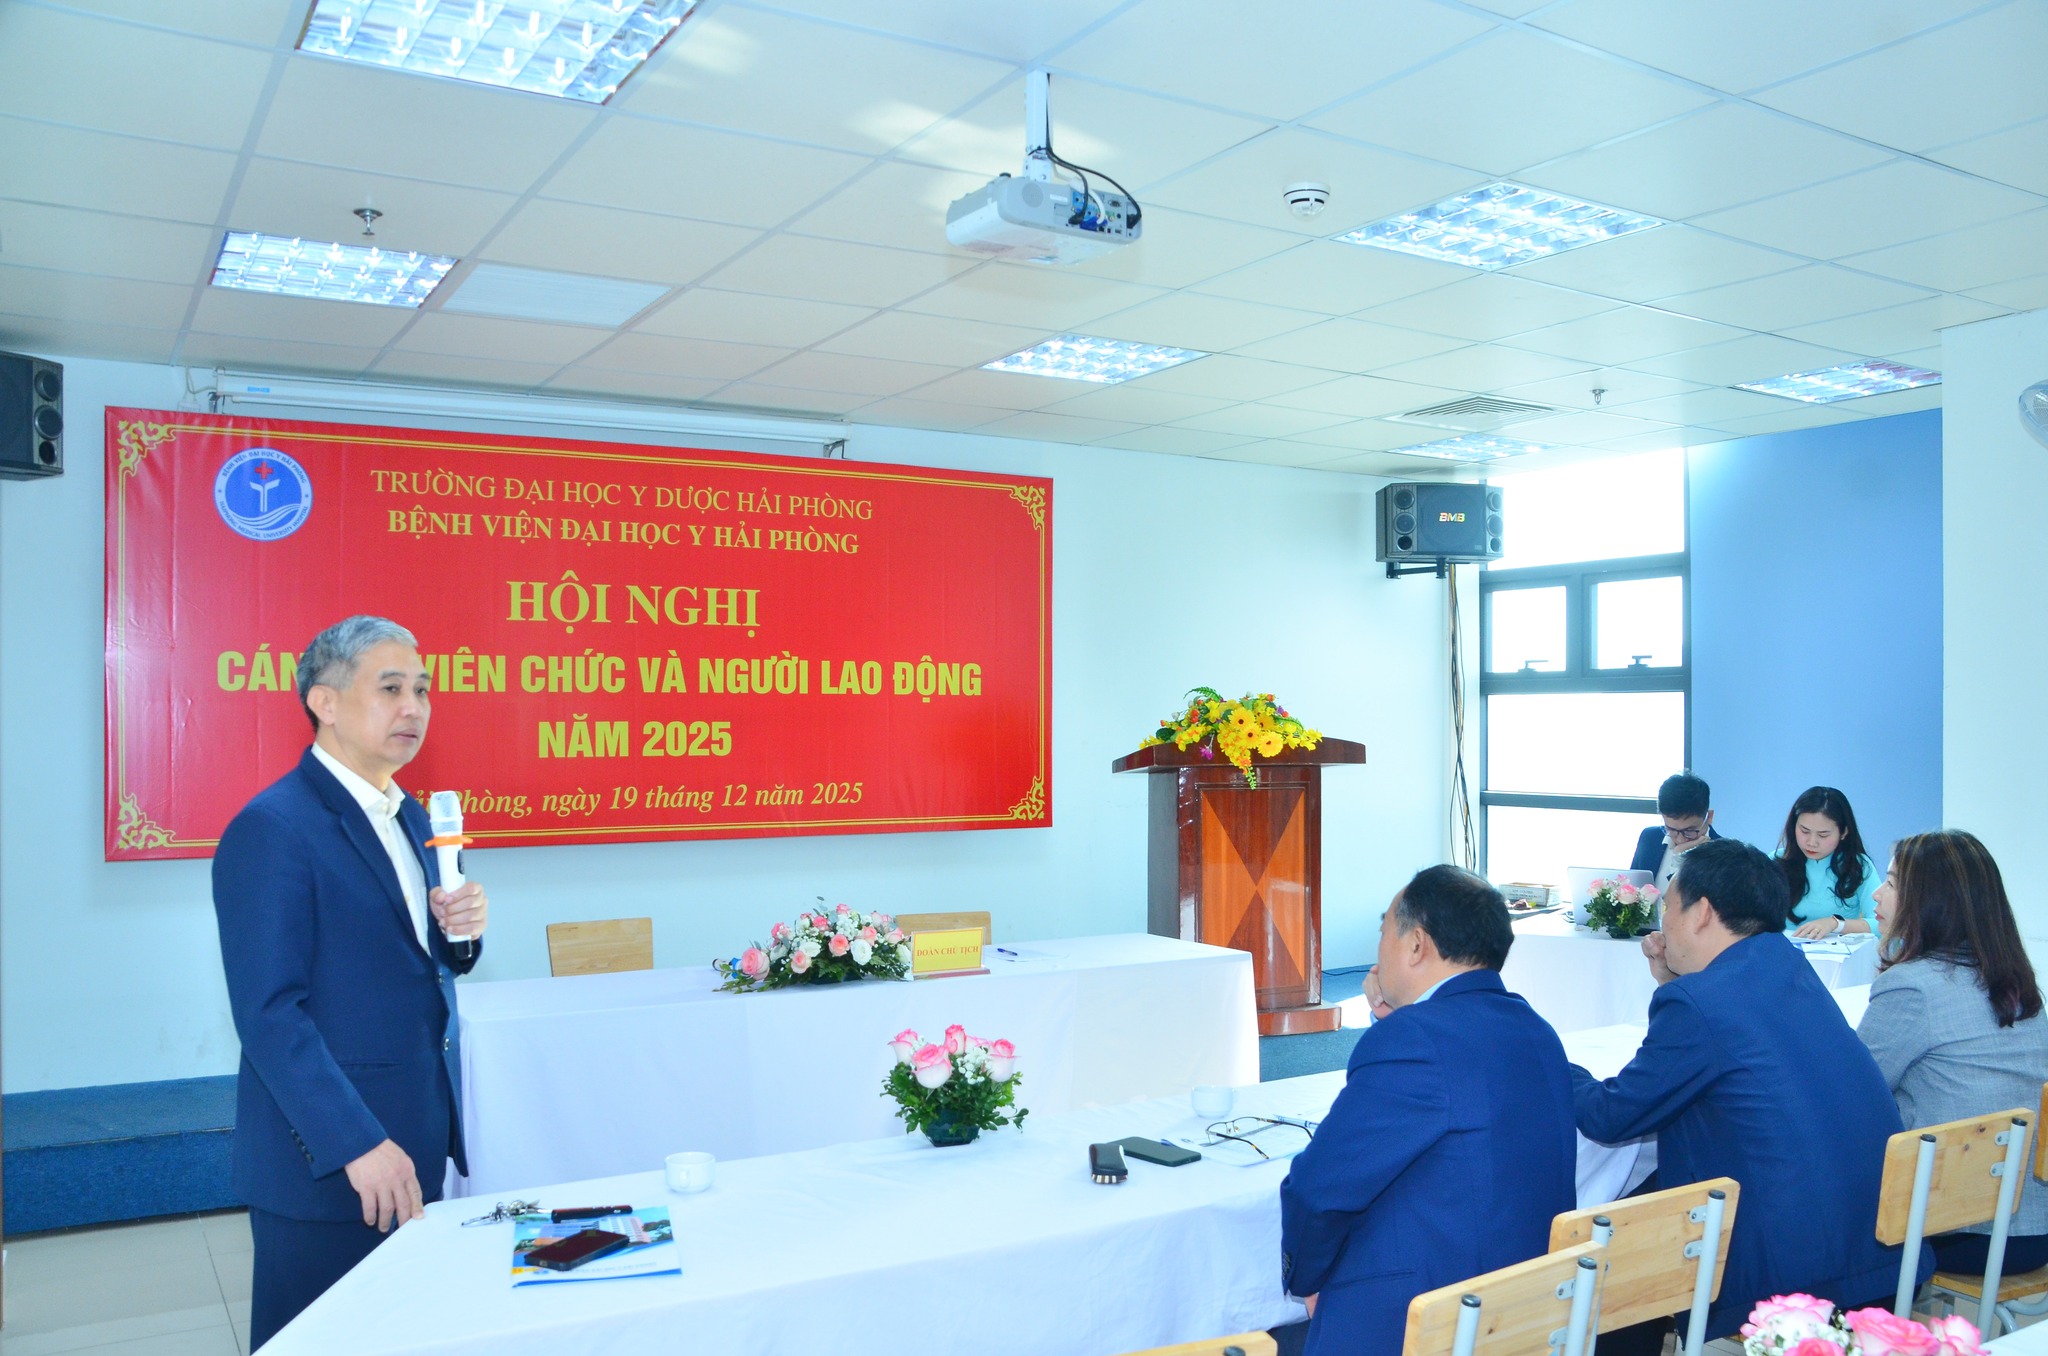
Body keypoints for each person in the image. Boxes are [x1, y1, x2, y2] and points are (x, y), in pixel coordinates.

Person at [212, 617, 490, 1349]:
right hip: (330, 1162)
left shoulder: (411, 815)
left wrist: (460, 930)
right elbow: (270, 1013)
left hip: (412, 1139)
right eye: (390, 688)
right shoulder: (274, 828)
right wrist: (356, 1143)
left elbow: (419, 963)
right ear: (325, 702)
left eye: (422, 690)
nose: (414, 708)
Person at [1572, 839, 1924, 1355]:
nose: (1662, 925)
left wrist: (1559, 1067)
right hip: (1881, 1251)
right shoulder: (1788, 965)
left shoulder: (1699, 1001)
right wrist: (1674, 982)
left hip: (1794, 1277)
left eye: (1668, 908)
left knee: (1612, 1246)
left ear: (1701, 913)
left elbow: (1610, 1116)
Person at [1280, 866, 1577, 1356]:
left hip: (1429, 1320)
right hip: (1525, 1312)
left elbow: (1319, 1190)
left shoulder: (1414, 1039)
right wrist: (1401, 1016)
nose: (1377, 952)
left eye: (1384, 932)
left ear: (1416, 945)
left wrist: (1307, 1280)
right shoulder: (1536, 1029)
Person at [1859, 830, 2048, 1275]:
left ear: (1930, 902)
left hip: (1961, 1230)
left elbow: (1852, 1094)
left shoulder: (1912, 987)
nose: (1877, 894)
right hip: (2034, 1227)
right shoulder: (2019, 986)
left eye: (1891, 882)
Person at [1778, 786, 1882, 937]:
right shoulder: (1776, 862)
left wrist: (1836, 924)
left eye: (1823, 835)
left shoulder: (1859, 866)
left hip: (1840, 950)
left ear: (1843, 832)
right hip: (1785, 948)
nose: (1812, 842)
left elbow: (1882, 926)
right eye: (1804, 831)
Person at [1630, 771, 1723, 893]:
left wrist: (1680, 858)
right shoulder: (1650, 837)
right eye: (1671, 829)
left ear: (1709, 817)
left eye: (1689, 831)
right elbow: (1632, 888)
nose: (1680, 839)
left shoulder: (1724, 855)